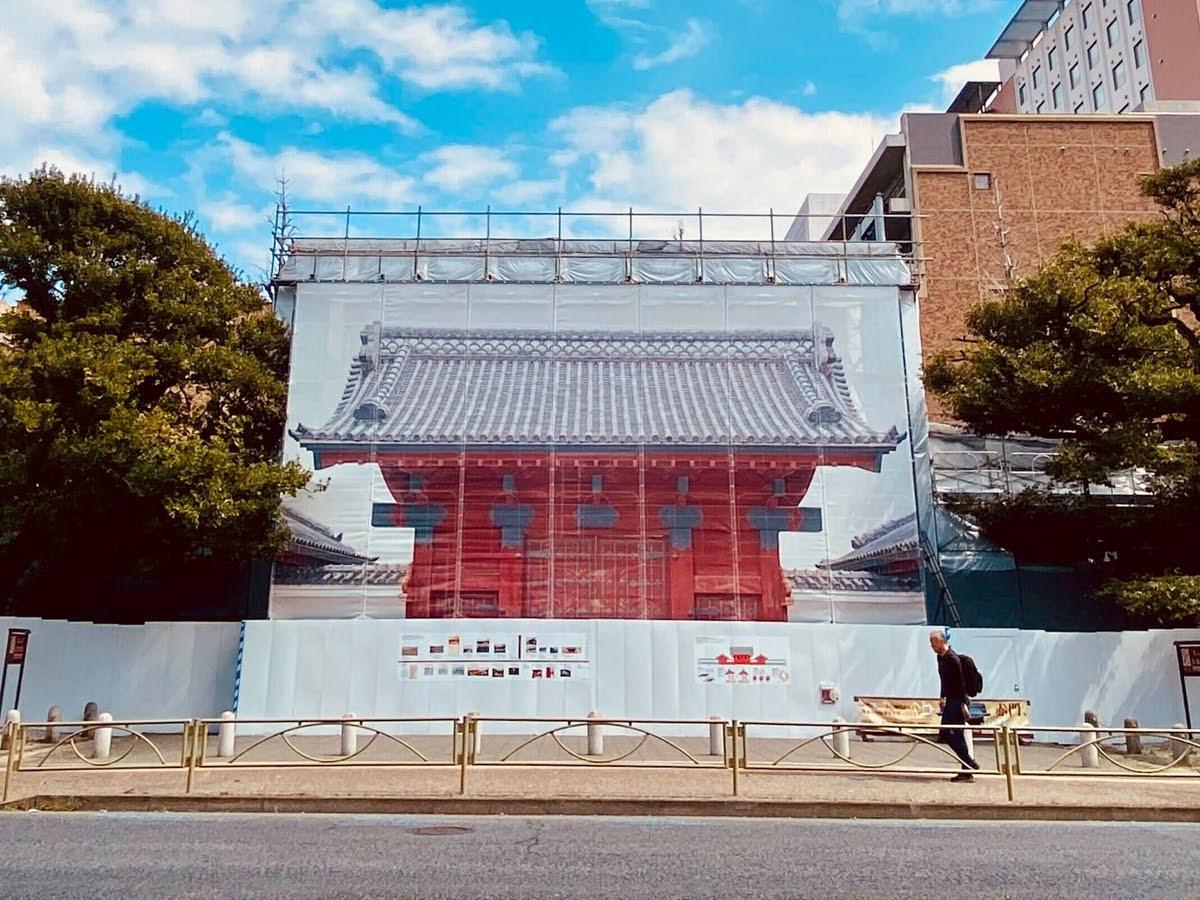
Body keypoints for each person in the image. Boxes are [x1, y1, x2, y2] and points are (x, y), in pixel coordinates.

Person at [929, 628, 980, 782]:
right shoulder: (940, 658)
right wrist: (942, 697)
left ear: (941, 641)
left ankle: (969, 763)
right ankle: (967, 769)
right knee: (956, 735)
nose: (931, 645)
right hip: (950, 699)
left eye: (933, 642)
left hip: (957, 700)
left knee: (947, 733)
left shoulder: (952, 658)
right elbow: (943, 680)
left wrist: (963, 704)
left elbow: (960, 683)